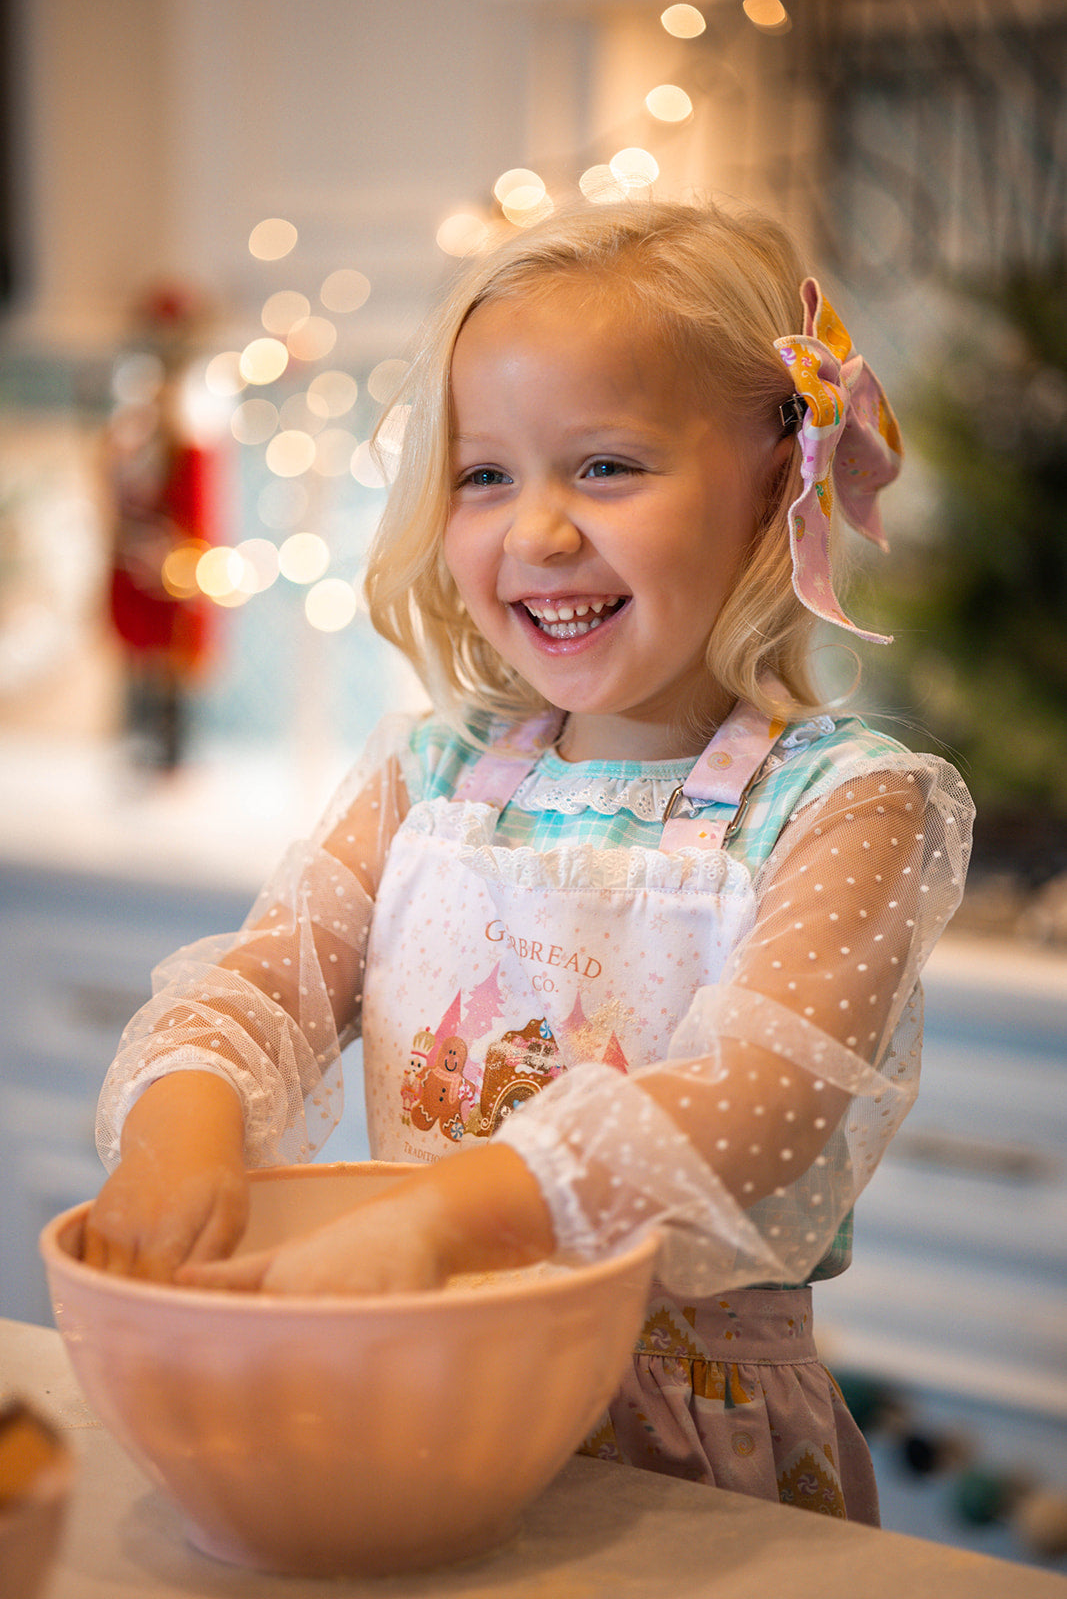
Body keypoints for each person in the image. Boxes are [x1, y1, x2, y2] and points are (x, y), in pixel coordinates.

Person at [84, 198, 974, 1523]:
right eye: (484, 474)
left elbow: (755, 1105)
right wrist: (182, 1117)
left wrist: (449, 1222)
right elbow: (265, 986)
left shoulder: (848, 809)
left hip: (681, 1467)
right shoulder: (428, 777)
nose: (538, 533)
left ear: (775, 474)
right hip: (421, 1400)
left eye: (606, 466)